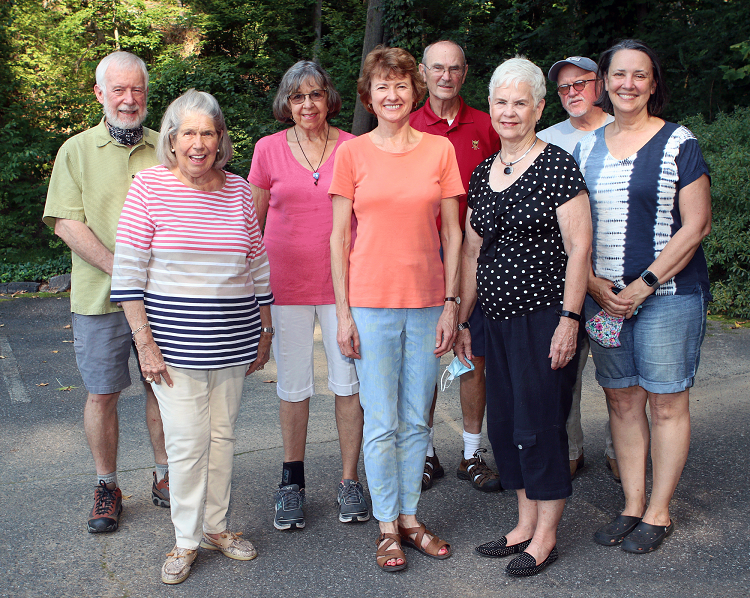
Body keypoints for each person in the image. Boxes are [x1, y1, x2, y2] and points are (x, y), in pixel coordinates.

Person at [110, 89, 274, 584]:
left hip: (233, 340)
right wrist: (144, 343)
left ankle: (216, 528)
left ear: (220, 139)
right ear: (172, 138)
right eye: (188, 133)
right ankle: (185, 539)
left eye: (208, 133)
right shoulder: (148, 186)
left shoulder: (239, 190)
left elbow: (257, 262)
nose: (198, 143)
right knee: (186, 443)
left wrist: (265, 329)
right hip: (173, 346)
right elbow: (129, 272)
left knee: (222, 437)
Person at [455, 57, 592, 576]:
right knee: (507, 421)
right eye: (500, 101)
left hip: (544, 318)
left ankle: (547, 535)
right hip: (494, 320)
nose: (509, 111)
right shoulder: (482, 171)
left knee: (541, 422)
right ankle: (523, 522)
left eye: (520, 102)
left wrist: (569, 319)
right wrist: (463, 319)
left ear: (538, 108)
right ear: (490, 107)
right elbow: (472, 252)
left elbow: (579, 248)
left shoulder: (557, 167)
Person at [574, 39, 712, 554]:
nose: (628, 84)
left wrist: (643, 284)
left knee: (667, 403)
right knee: (622, 399)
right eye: (619, 74)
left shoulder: (679, 142)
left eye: (640, 75)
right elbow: (573, 229)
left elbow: (696, 225)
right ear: (604, 82)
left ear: (653, 84)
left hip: (667, 295)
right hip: (604, 299)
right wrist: (592, 283)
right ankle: (632, 504)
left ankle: (659, 511)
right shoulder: (585, 147)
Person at [329, 45, 463, 572]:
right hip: (369, 305)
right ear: (369, 95)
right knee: (381, 421)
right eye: (382, 86)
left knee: (416, 420)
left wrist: (452, 304)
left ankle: (410, 518)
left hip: (428, 304)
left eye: (401, 85)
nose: (392, 94)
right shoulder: (352, 154)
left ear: (416, 92)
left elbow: (452, 234)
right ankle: (387, 526)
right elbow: (339, 238)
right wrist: (342, 314)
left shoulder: (440, 151)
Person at [42, 51, 170, 534]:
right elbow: (66, 223)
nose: (129, 99)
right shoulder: (75, 150)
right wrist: (122, 271)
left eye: (137, 88)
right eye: (118, 89)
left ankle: (166, 476)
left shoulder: (168, 146)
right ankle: (107, 486)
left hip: (164, 297)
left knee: (164, 388)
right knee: (102, 394)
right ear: (100, 93)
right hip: (99, 298)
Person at [247, 61, 367, 531]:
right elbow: (252, 226)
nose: (308, 104)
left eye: (315, 94)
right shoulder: (268, 149)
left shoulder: (354, 147)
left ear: (329, 98)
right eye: (298, 97)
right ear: (287, 103)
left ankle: (349, 480)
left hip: (345, 288)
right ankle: (291, 483)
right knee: (293, 386)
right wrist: (251, 292)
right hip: (286, 287)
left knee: (347, 384)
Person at [411, 40, 501, 493]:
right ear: (422, 73)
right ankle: (425, 453)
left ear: (465, 74)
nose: (445, 76)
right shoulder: (407, 125)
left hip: (477, 261)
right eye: (437, 68)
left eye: (454, 69)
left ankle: (471, 453)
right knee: (425, 363)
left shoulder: (487, 126)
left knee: (472, 358)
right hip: (423, 262)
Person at [538, 55, 617, 480]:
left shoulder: (623, 129)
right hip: (562, 277)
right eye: (564, 87)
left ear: (599, 85)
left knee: (618, 376)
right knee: (563, 369)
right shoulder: (546, 140)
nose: (573, 92)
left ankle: (619, 449)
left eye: (581, 83)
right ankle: (571, 448)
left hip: (615, 277)